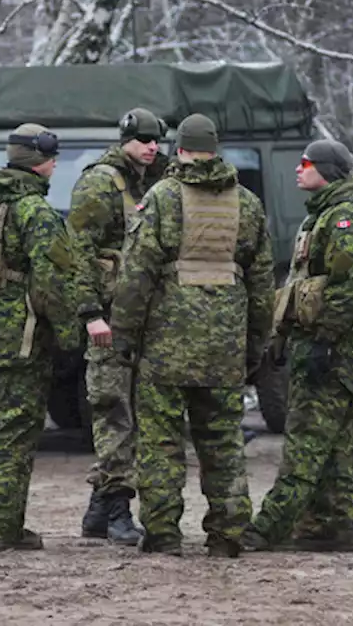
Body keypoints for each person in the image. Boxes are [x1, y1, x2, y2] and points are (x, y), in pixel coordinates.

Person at [111, 113, 275, 557]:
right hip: (225, 348)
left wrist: (124, 338)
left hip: (165, 348)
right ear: (216, 149)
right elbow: (262, 285)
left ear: (178, 149)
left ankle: (163, 534)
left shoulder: (161, 198)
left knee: (160, 445)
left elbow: (136, 277)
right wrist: (255, 344)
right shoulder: (247, 203)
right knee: (223, 442)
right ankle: (229, 534)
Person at [243, 139, 353, 553]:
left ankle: (265, 529)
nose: (298, 169)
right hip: (322, 346)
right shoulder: (323, 216)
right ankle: (332, 527)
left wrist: (324, 341)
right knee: (334, 447)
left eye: (306, 163)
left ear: (326, 170)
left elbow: (347, 289)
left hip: (335, 353)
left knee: (305, 444)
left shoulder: (343, 219)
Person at [0, 123, 83, 550]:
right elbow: (53, 284)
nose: (56, 164)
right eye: (53, 157)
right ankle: (0, 529)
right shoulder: (36, 212)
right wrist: (68, 338)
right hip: (22, 339)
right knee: (17, 432)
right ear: (39, 161)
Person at [66, 108, 169, 546]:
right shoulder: (100, 183)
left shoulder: (149, 183)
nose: (152, 146)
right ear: (125, 138)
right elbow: (77, 253)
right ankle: (116, 511)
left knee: (129, 411)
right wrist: (91, 314)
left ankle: (97, 512)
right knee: (113, 412)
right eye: (144, 139)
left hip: (138, 317)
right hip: (109, 319)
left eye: (157, 139)